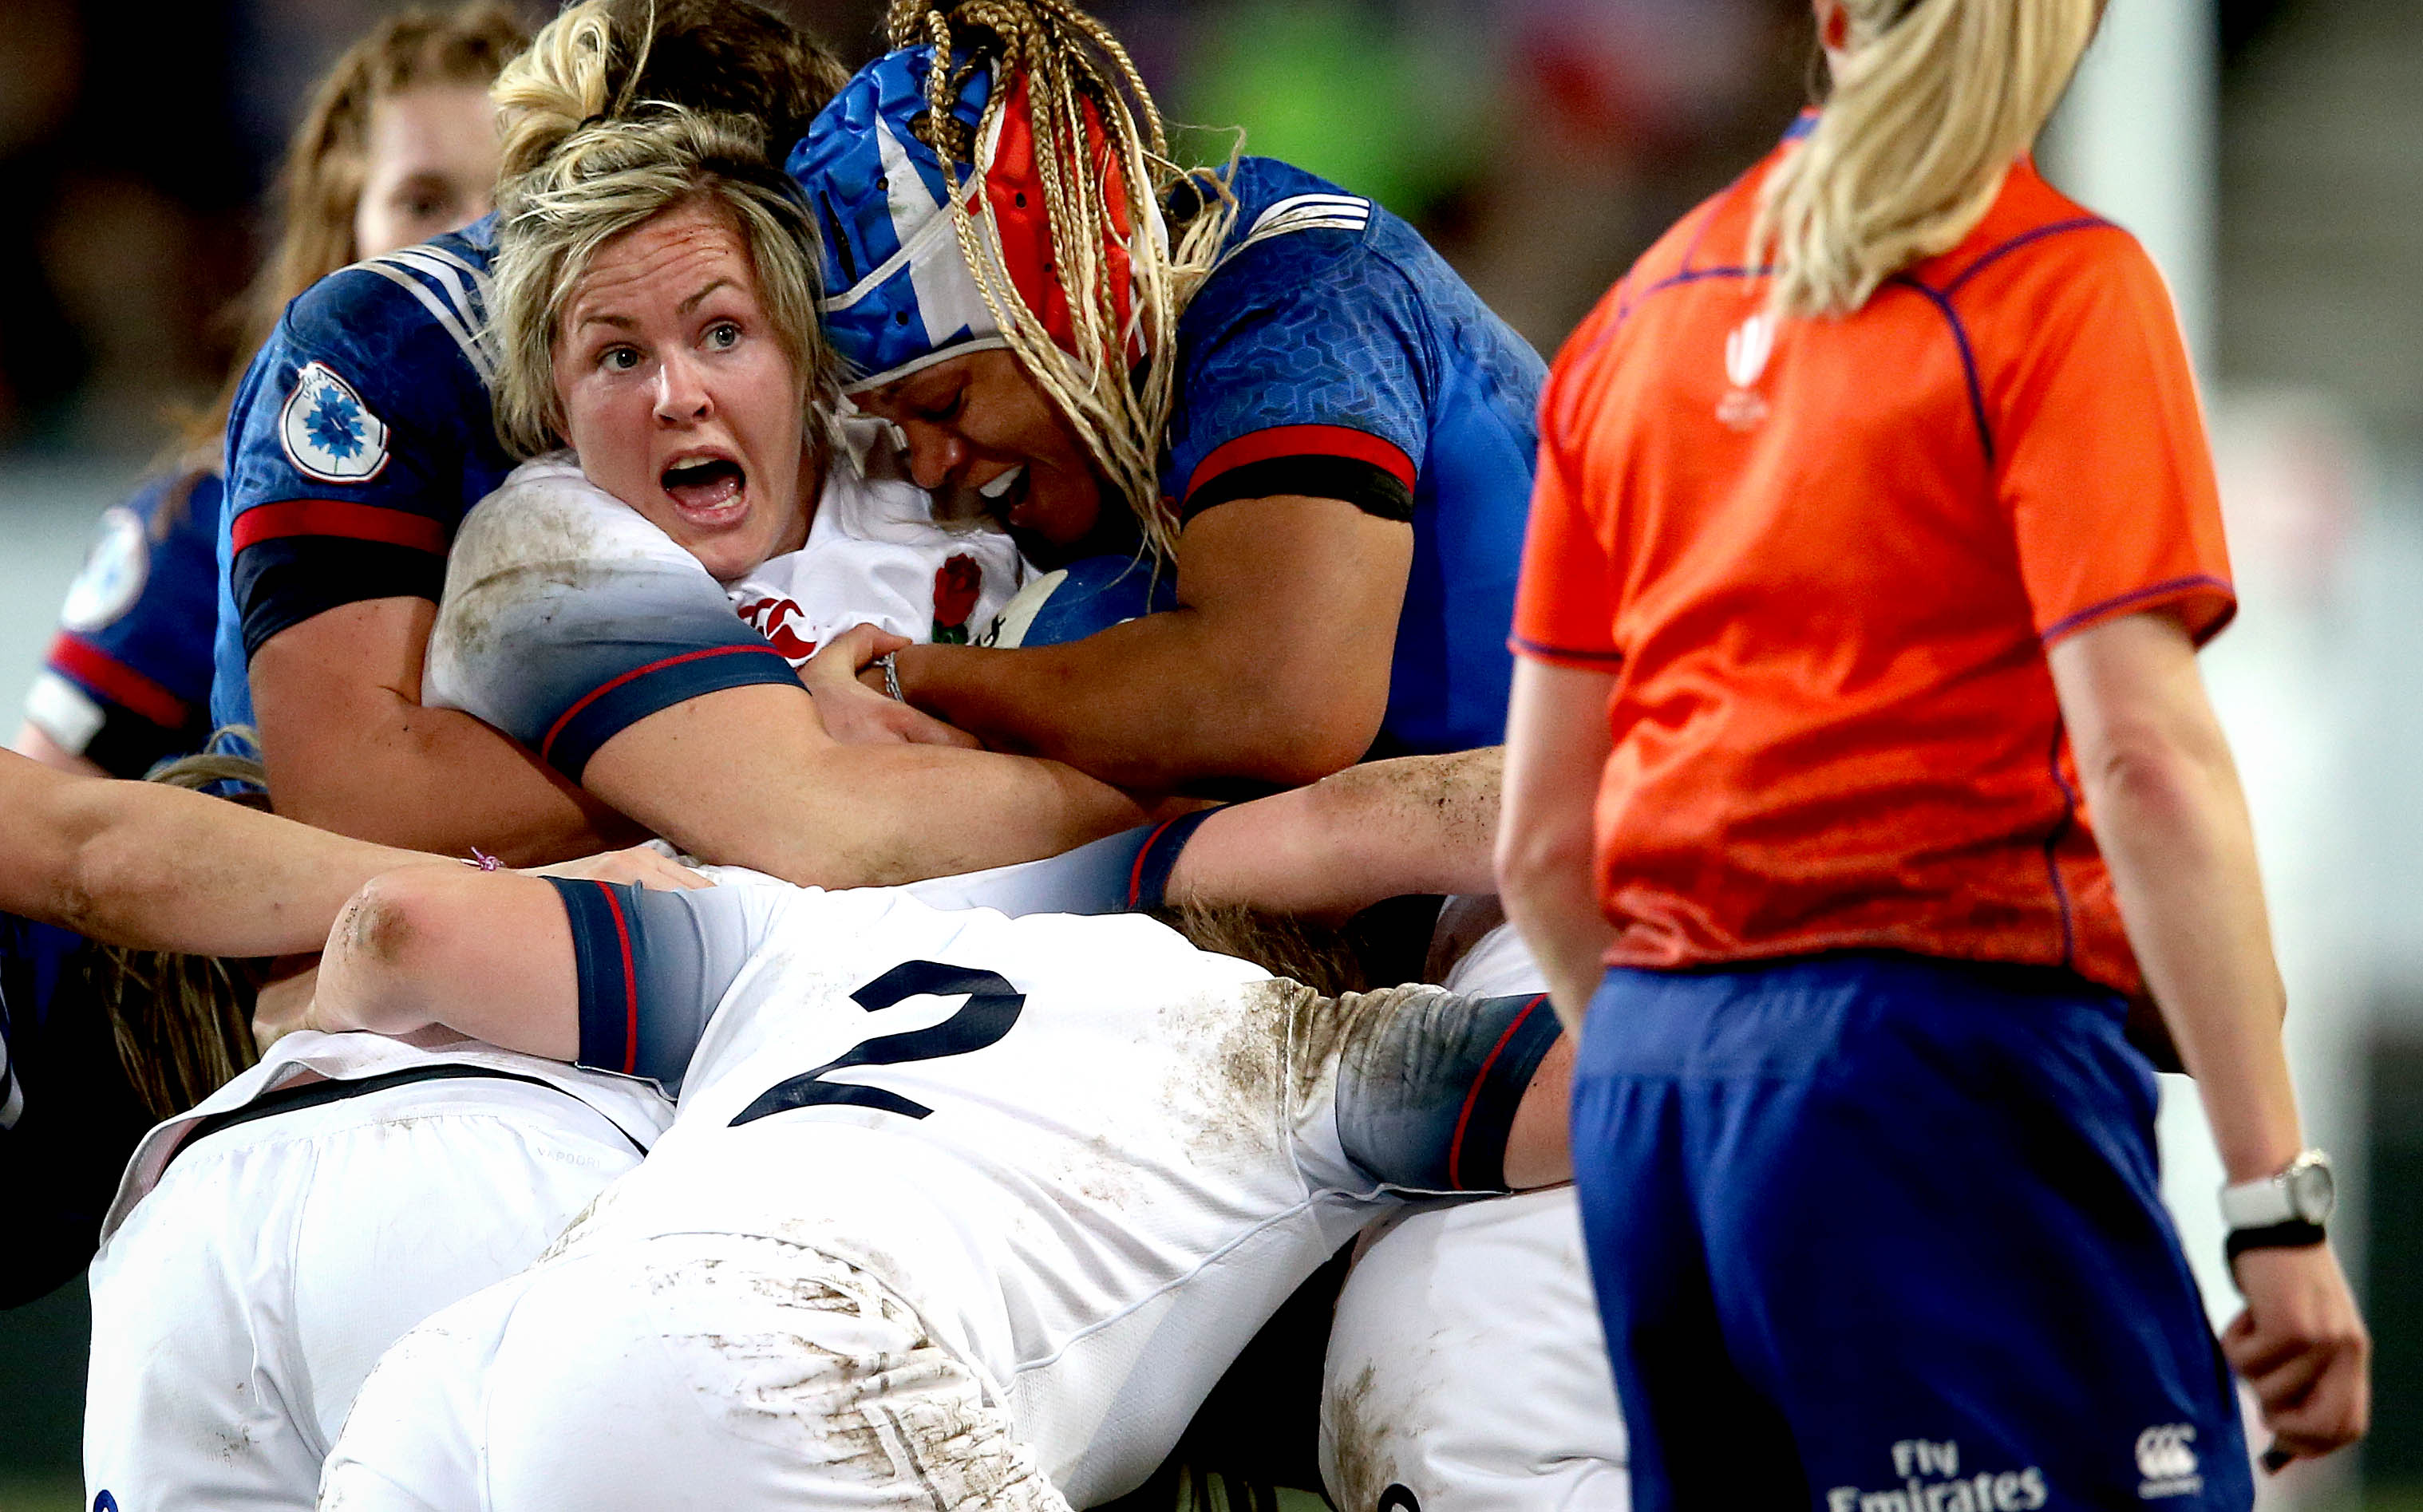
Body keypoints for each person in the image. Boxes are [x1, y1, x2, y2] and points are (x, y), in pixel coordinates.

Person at [1495, 0, 2369, 1503]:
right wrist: (2273, 1209)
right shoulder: (2054, 285)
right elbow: (2148, 764)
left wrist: (1709, 1068)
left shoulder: (1635, 313)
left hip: (1654, 1086)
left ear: (1832, 17)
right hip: (1939, 1064)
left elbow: (1542, 848)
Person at [288, 823, 1572, 1509]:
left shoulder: (805, 931)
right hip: (794, 1353)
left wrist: (292, 1025)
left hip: (486, 1358)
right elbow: (1639, 1084)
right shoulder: (1288, 1043)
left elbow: (407, 923)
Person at [793, 0, 1548, 790]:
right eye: (897, 423)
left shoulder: (1302, 296)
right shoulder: (1126, 388)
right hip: (1505, 835)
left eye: (944, 404)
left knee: (1087, 641)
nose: (927, 464)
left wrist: (917, 679)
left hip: (1646, 806)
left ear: (1068, 296)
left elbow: (1279, 703)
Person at [414, 105, 1140, 879]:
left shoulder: (937, 464)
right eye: (619, 355)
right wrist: (1170, 812)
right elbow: (838, 829)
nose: (678, 395)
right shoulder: (537, 545)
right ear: (557, 402)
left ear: (800, 344)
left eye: (722, 333)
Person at [211, 0, 849, 862]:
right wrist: (781, 758)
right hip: (341, 933)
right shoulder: (379, 349)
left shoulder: (837, 285)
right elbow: (350, 795)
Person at [14, 3, 528, 779]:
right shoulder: (201, 524)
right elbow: (35, 827)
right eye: (424, 204)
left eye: (514, 201)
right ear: (339, 231)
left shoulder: (643, 487)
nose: (471, 244)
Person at [0, 747, 689, 1305]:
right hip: (204, 1141)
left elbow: (86, 850)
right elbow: (89, 854)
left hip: (181, 1022)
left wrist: (489, 895)